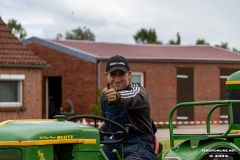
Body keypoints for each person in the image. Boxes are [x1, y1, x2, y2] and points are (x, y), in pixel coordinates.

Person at [99, 55, 158, 160]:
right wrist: (93, 134)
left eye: (121, 74)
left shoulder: (139, 92)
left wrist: (116, 97)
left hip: (139, 145)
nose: (117, 79)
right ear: (106, 75)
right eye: (113, 75)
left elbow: (128, 99)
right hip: (114, 144)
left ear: (129, 74)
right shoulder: (104, 95)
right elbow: (108, 123)